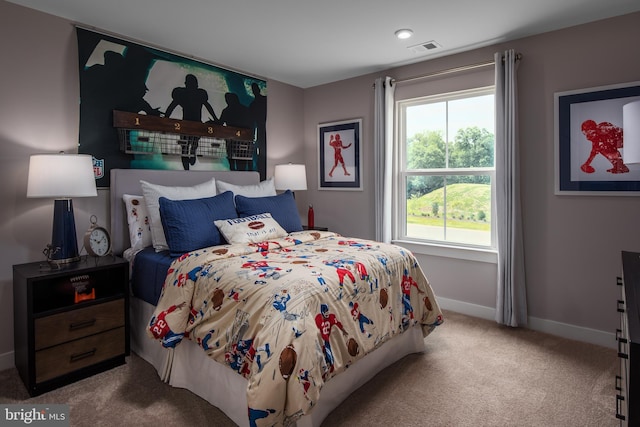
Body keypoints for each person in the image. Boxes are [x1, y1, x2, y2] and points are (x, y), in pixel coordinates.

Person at [165, 74, 218, 170]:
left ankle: (191, 157)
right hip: (187, 124)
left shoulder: (197, 94)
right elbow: (172, 106)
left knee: (191, 145)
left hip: (194, 124)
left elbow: (207, 106)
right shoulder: (183, 94)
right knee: (185, 147)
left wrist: (215, 119)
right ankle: (187, 169)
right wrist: (165, 118)